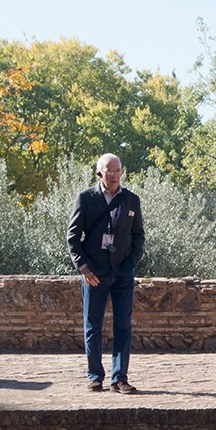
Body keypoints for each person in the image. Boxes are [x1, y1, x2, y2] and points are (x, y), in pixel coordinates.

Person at [67, 153, 145, 394]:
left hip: (122, 273)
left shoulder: (132, 200)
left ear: (122, 172)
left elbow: (138, 237)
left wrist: (131, 262)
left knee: (124, 326)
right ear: (99, 173)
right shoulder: (85, 198)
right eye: (108, 171)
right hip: (95, 273)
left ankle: (119, 377)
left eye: (117, 170)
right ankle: (95, 376)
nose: (113, 175)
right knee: (93, 325)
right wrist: (83, 268)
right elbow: (73, 238)